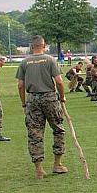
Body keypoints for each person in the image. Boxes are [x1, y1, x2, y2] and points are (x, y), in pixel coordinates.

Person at [16, 35, 67, 179]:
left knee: (35, 133)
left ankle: (39, 169)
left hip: (32, 99)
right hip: (50, 98)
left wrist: (24, 103)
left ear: (32, 47)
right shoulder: (50, 60)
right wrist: (62, 97)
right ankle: (57, 164)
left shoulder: (24, 62)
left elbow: (20, 85)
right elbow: (59, 81)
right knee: (58, 129)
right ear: (44, 46)